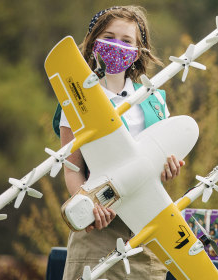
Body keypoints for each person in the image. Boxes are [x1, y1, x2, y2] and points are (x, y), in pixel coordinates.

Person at [54, 6, 183, 279]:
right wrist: (90, 207)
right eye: (109, 37)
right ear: (93, 43)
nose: (117, 46)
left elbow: (155, 165)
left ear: (138, 51)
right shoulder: (77, 100)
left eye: (126, 41)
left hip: (144, 230)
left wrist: (168, 169)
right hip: (98, 231)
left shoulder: (154, 99)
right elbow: (72, 168)